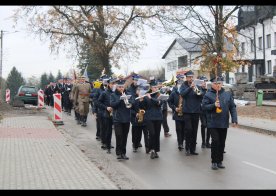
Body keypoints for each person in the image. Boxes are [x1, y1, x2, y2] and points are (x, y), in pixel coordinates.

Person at [202, 76, 238, 170]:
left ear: (222, 84)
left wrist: (234, 119)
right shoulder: (208, 95)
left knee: (222, 142)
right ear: (212, 84)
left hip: (223, 122)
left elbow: (232, 107)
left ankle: (219, 161)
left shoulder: (227, 94)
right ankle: (214, 161)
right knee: (215, 141)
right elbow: (204, 107)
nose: (218, 85)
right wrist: (213, 105)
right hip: (212, 122)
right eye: (216, 83)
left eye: (219, 83)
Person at [179, 70, 204, 156]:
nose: (191, 78)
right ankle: (187, 148)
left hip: (196, 111)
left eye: (192, 77)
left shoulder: (197, 85)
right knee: (188, 130)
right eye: (189, 77)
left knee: (194, 130)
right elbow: (182, 94)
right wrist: (190, 88)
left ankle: (193, 149)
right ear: (186, 78)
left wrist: (196, 88)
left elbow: (201, 95)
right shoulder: (183, 85)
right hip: (187, 111)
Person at [110, 79, 132, 160]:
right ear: (117, 87)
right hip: (117, 119)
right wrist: (120, 99)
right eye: (119, 87)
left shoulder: (128, 94)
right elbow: (113, 105)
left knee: (125, 137)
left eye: (122, 87)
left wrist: (128, 99)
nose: (121, 88)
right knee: (119, 136)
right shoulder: (113, 95)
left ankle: (123, 153)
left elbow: (132, 102)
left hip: (127, 119)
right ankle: (118, 153)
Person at [143, 79, 164, 159]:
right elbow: (144, 106)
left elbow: (159, 103)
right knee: (152, 133)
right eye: (154, 87)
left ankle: (156, 150)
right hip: (149, 117)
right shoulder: (146, 95)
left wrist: (151, 98)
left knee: (157, 134)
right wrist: (142, 100)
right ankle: (151, 150)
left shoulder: (159, 95)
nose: (155, 88)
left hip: (158, 117)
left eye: (156, 87)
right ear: (151, 88)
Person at [98, 77, 117, 154]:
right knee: (108, 131)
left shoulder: (117, 92)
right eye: (112, 84)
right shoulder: (104, 93)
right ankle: (107, 146)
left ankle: (111, 145)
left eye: (115, 84)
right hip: (107, 114)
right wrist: (106, 107)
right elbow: (98, 103)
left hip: (117, 114)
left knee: (116, 132)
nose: (114, 85)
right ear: (108, 84)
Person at [167, 74, 185, 151]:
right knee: (178, 129)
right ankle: (180, 143)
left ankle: (183, 140)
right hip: (177, 114)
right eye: (179, 84)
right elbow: (169, 102)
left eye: (181, 84)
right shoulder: (174, 93)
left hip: (185, 113)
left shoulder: (185, 92)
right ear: (176, 84)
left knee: (184, 129)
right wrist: (174, 108)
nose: (180, 86)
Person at [130, 82, 149, 153]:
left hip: (145, 119)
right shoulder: (133, 98)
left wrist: (142, 100)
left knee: (146, 134)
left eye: (141, 91)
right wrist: (135, 114)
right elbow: (130, 109)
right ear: (137, 91)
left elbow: (148, 107)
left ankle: (147, 148)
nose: (140, 92)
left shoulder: (146, 98)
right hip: (136, 119)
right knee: (137, 134)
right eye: (139, 90)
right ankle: (135, 146)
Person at [126, 74, 143, 149]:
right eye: (135, 80)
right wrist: (137, 95)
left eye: (138, 80)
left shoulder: (141, 88)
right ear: (133, 80)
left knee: (140, 127)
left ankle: (138, 141)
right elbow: (130, 101)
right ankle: (134, 142)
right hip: (133, 110)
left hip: (140, 109)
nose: (137, 81)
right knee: (135, 127)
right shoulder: (129, 89)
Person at [198, 75, 211, 148]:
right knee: (204, 124)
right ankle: (203, 142)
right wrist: (204, 90)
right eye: (203, 82)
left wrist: (207, 90)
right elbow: (199, 94)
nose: (204, 83)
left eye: (205, 82)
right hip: (201, 110)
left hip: (208, 110)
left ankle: (207, 142)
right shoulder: (198, 89)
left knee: (209, 125)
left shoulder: (209, 90)